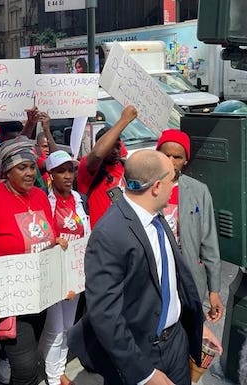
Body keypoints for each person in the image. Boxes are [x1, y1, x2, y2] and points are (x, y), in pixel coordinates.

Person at [68, 149, 222, 385]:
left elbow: (173, 279)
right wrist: (144, 374)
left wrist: (196, 325)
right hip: (140, 355)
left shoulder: (156, 217)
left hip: (176, 346)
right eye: (172, 179)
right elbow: (105, 314)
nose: (175, 186)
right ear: (157, 186)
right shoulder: (110, 233)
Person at [0, 136, 59, 385]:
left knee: (27, 348)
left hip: (42, 294)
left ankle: (5, 356)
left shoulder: (40, 196)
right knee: (27, 368)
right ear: (7, 171)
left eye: (32, 166)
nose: (30, 173)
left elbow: (49, 235)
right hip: (12, 298)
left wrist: (58, 246)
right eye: (22, 167)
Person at [156, 129, 224, 322]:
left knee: (190, 332)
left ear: (186, 160)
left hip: (189, 279)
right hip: (156, 279)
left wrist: (214, 290)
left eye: (177, 157)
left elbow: (209, 242)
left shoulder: (198, 191)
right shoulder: (146, 188)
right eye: (165, 154)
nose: (170, 160)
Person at [39, 150, 90, 385]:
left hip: (75, 273)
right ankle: (53, 376)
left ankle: (58, 370)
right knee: (56, 328)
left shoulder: (80, 200)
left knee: (67, 327)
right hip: (53, 273)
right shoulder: (43, 202)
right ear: (50, 175)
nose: (68, 176)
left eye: (70, 170)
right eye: (61, 171)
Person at [76, 105, 138, 226]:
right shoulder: (89, 168)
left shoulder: (125, 166)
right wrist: (124, 120)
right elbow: (98, 154)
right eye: (110, 147)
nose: (115, 151)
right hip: (101, 237)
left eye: (118, 146)